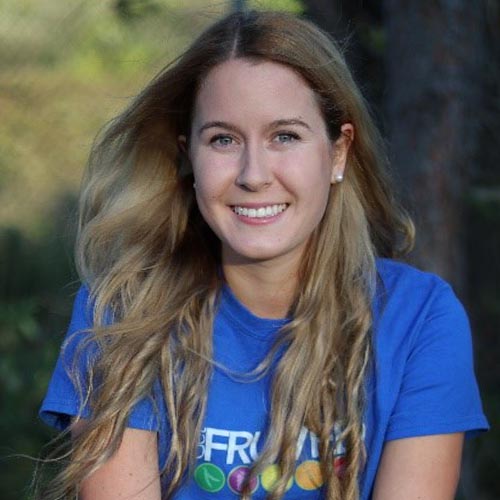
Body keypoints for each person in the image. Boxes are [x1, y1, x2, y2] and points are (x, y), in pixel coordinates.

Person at [38, 9, 488, 500]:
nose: (254, 174)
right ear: (190, 156)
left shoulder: (419, 319)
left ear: (338, 153)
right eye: (224, 139)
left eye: (285, 136)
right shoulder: (121, 314)